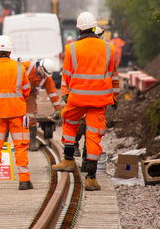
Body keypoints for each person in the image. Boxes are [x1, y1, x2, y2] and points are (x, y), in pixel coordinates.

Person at [52, 12, 119, 191]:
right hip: (99, 100)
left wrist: (65, 96)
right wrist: (115, 100)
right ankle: (91, 178)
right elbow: (113, 76)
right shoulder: (109, 48)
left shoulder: (71, 49)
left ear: (79, 29)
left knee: (69, 122)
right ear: (95, 27)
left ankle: (67, 159)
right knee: (94, 136)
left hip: (77, 98)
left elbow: (65, 77)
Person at [0, 35, 32, 190]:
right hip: (18, 113)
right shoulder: (20, 68)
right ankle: (24, 181)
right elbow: (26, 91)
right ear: (10, 51)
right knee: (21, 146)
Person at [22, 58, 62, 151]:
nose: (44, 76)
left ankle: (31, 143)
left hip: (30, 94)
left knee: (31, 117)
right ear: (40, 67)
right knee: (13, 117)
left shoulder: (46, 77)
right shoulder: (26, 67)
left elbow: (52, 93)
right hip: (16, 93)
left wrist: (58, 109)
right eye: (44, 73)